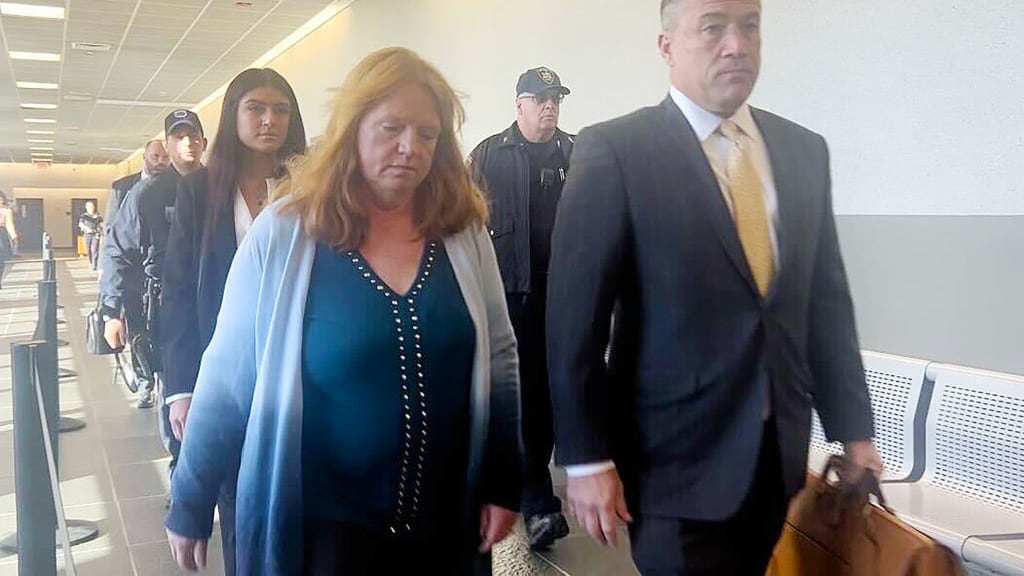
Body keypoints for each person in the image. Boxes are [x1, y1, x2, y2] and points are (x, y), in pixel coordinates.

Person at [545, 1, 883, 574]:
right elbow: (574, 322)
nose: (737, 44)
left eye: (750, 25)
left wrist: (855, 433)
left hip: (775, 460)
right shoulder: (618, 151)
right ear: (666, 46)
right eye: (713, 27)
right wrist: (584, 457)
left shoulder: (803, 153)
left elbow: (825, 308)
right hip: (670, 466)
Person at [165, 47, 521, 575]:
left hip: (448, 521)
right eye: (391, 128)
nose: (410, 147)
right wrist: (191, 498)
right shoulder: (287, 233)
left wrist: (503, 478)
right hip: (327, 530)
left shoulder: (461, 231)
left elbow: (501, 359)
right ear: (351, 130)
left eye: (428, 134)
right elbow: (227, 376)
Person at [161, 68, 308, 576]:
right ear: (233, 115)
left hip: (297, 366)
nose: (270, 120)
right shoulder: (200, 189)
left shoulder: (309, 186)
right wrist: (180, 387)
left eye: (281, 109)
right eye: (256, 108)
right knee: (236, 501)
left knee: (299, 501)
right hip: (223, 370)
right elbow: (178, 291)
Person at [469, 66, 574, 549]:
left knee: (555, 398)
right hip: (511, 300)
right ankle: (537, 503)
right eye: (540, 98)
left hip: (566, 302)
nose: (549, 105)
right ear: (519, 105)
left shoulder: (579, 155)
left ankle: (536, 493)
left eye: (555, 98)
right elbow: (463, 230)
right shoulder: (488, 157)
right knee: (523, 400)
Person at [100, 109, 207, 413]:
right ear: (167, 144)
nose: (188, 142)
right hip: (163, 306)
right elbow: (119, 249)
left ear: (204, 142)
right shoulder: (147, 194)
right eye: (179, 136)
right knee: (174, 393)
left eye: (194, 136)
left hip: (211, 298)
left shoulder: (217, 188)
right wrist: (112, 312)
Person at [105, 139, 169, 233]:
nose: (160, 161)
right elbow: (111, 227)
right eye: (155, 156)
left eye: (166, 157)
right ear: (144, 157)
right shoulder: (121, 188)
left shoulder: (178, 186)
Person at [0, 191, 18, 290]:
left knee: (1, 259)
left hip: (1, 233)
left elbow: (9, 224)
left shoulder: (7, 211)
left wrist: (13, 235)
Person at [78, 201, 103, 271]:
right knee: (87, 249)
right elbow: (80, 224)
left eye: (91, 206)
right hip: (87, 235)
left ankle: (94, 265)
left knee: (95, 250)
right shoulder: (84, 216)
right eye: (89, 207)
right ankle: (90, 262)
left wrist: (101, 233)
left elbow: (101, 225)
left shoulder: (98, 216)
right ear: (86, 208)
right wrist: (87, 229)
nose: (90, 208)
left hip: (95, 234)